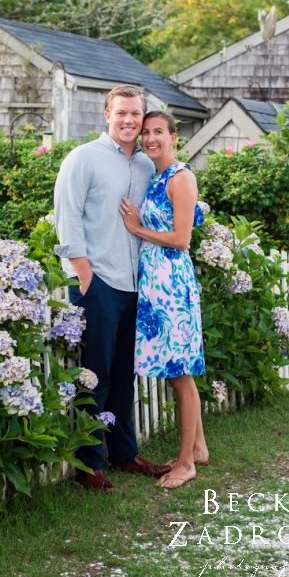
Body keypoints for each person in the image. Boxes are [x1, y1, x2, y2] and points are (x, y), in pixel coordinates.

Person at [53, 85, 172, 492]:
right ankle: (89, 465)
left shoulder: (143, 166)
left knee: (124, 377)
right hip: (98, 283)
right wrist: (85, 276)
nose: (129, 121)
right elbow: (66, 219)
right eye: (121, 113)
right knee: (95, 376)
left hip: (135, 284)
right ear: (107, 115)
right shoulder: (83, 158)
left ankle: (124, 454)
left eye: (136, 114)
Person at [119, 109, 209, 489]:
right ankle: (199, 448)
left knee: (181, 374)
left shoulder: (180, 178)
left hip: (172, 285)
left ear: (174, 136)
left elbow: (182, 239)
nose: (150, 138)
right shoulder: (157, 178)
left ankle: (186, 462)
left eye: (158, 132)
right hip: (155, 284)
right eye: (146, 133)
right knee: (176, 374)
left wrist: (137, 228)